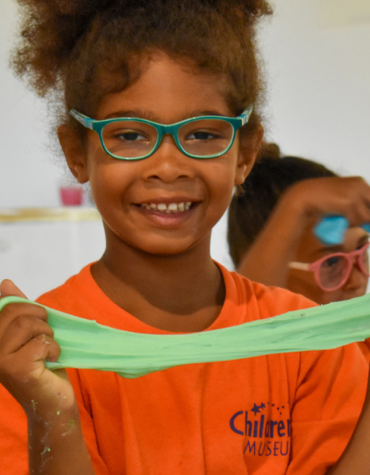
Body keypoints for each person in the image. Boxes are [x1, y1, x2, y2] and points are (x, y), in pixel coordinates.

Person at [0, 2, 370, 474]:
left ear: (244, 154)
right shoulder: (32, 361)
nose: (169, 166)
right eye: (130, 135)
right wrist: (51, 412)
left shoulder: (312, 342)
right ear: (77, 152)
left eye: (202, 134)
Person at [228, 143, 370, 359]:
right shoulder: (238, 357)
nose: (357, 282)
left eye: (362, 252)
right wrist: (298, 204)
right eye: (331, 263)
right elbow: (249, 331)